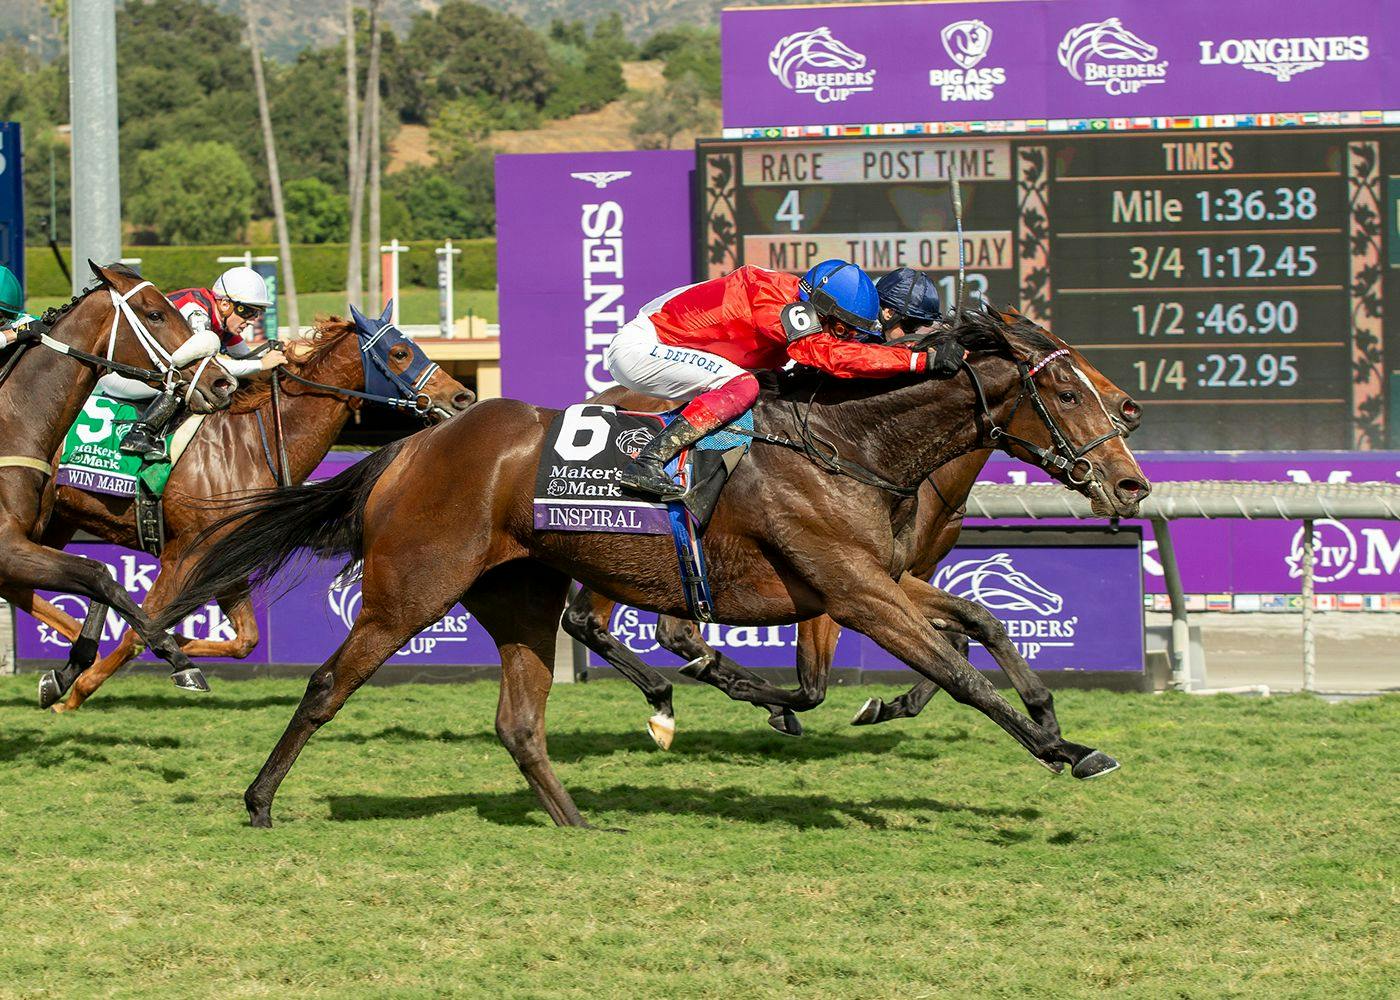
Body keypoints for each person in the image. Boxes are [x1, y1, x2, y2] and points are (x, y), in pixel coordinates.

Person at [605, 259, 963, 500]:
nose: (844, 337)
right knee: (743, 386)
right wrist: (918, 360)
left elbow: (833, 349)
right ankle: (647, 461)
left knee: (764, 386)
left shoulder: (803, 299)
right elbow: (829, 355)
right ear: (823, 310)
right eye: (841, 328)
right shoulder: (777, 305)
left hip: (672, 344)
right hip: (640, 349)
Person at [116, 265, 285, 462]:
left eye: (257, 313)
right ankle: (140, 433)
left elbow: (246, 358)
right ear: (224, 304)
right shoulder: (196, 313)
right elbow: (205, 367)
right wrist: (261, 365)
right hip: (123, 376)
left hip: (154, 374)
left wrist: (274, 359)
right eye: (247, 312)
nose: (252, 320)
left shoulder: (225, 322)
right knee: (189, 380)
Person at [873, 267, 942, 340]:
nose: (912, 338)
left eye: (917, 328)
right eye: (909, 327)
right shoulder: (861, 344)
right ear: (889, 313)